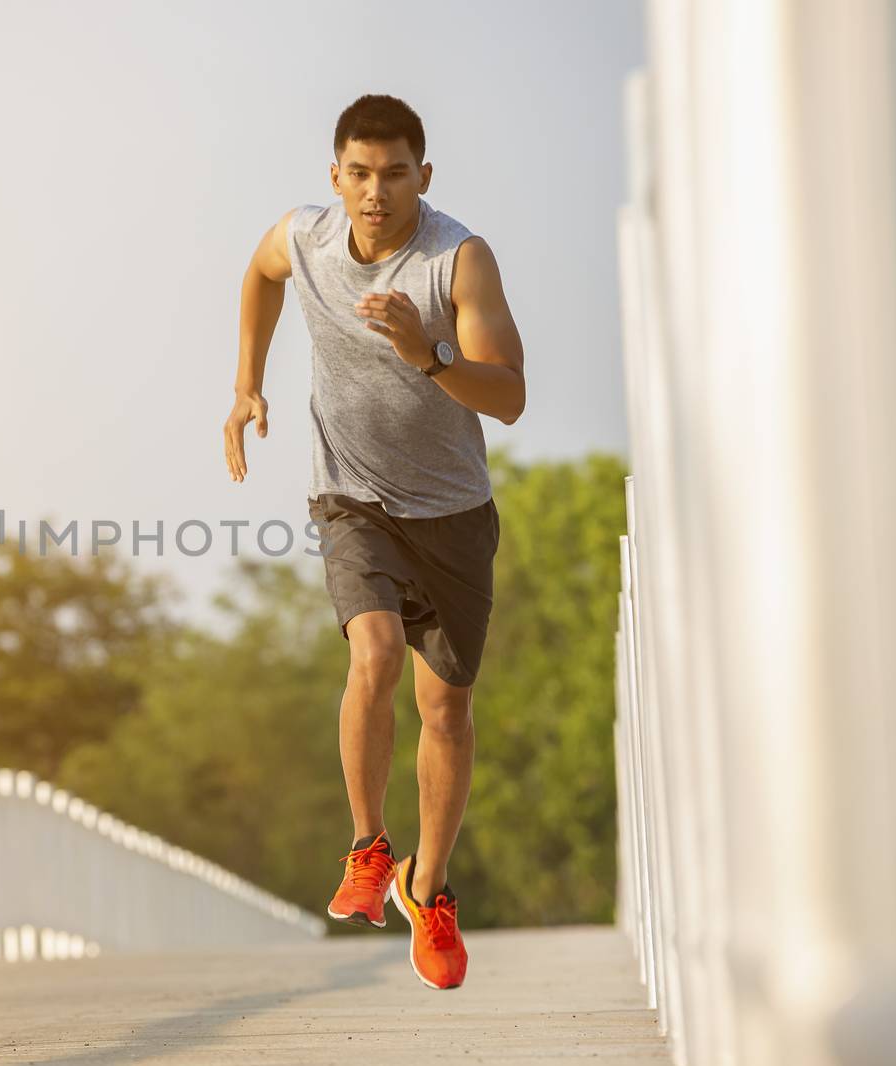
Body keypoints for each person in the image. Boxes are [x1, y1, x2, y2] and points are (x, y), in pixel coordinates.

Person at [222, 93, 525, 991]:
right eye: (359, 173)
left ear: (422, 177)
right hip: (350, 497)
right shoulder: (306, 239)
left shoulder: (458, 261)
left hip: (454, 514)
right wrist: (247, 385)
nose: (376, 192)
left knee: (447, 712)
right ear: (336, 178)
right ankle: (367, 845)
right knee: (376, 653)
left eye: (395, 174)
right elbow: (259, 272)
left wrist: (427, 355)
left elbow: (508, 398)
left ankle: (425, 888)